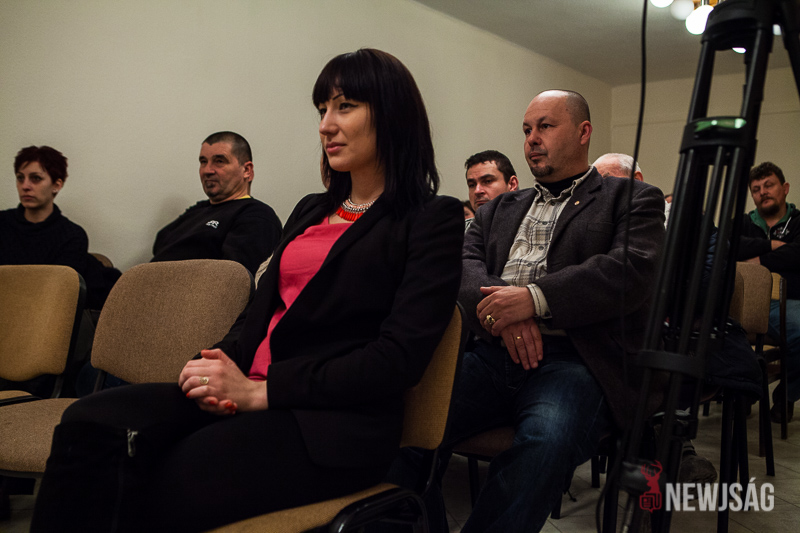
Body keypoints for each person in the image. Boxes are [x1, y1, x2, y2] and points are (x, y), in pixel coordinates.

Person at [31, 48, 463, 532]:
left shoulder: (431, 218)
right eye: (322, 109)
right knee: (88, 423)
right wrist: (215, 361)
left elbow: (398, 358)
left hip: (330, 422)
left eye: (345, 106)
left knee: (168, 473)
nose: (325, 125)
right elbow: (261, 309)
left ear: (392, 113)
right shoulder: (311, 209)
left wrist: (263, 391)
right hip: (249, 389)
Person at [445, 90, 665, 532]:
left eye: (545, 126)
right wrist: (505, 314)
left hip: (573, 360)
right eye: (527, 130)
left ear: (584, 132)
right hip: (490, 352)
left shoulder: (631, 197)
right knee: (406, 418)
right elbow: (463, 267)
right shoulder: (499, 208)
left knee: (544, 446)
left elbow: (628, 271)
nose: (532, 139)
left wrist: (534, 299)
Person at [150, 131, 282, 275]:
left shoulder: (257, 215)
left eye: (219, 161)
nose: (207, 170)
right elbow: (160, 244)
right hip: (147, 282)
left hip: (186, 288)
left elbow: (235, 280)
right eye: (203, 162)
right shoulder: (197, 210)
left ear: (247, 170)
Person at [737, 161, 800, 422]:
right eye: (756, 189)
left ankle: (786, 394)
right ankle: (744, 390)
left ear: (785, 188)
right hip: (743, 304)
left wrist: (759, 261)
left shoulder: (798, 221)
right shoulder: (742, 222)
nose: (763, 192)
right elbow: (729, 246)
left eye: (769, 185)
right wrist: (771, 245)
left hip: (790, 301)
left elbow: (798, 254)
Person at [0, 146, 88, 275]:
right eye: (20, 178)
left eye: (36, 178)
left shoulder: (72, 236)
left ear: (56, 185)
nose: (25, 186)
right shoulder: (3, 223)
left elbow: (61, 285)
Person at [464, 150, 518, 231]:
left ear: (512, 184)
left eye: (488, 181)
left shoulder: (530, 224)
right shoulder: (459, 232)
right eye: (472, 185)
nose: (477, 191)